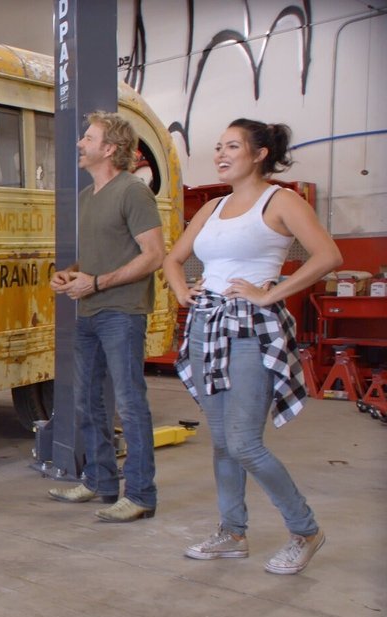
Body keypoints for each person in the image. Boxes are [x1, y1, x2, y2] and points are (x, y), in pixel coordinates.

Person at [164, 119, 341, 574]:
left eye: (232, 146)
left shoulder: (280, 201)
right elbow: (173, 258)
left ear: (260, 154)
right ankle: (232, 532)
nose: (221, 155)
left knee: (244, 443)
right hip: (206, 326)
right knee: (223, 443)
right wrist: (182, 291)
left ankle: (305, 531)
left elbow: (328, 255)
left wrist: (270, 293)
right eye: (218, 147)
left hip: (251, 330)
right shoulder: (213, 207)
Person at [48, 111, 166, 522]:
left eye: (88, 138)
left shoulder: (133, 191)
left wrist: (96, 283)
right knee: (87, 402)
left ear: (110, 148)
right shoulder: (88, 196)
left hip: (121, 313)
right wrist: (71, 273)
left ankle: (141, 494)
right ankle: (100, 481)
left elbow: (154, 255)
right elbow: (101, 256)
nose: (80, 144)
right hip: (89, 310)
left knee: (130, 404)